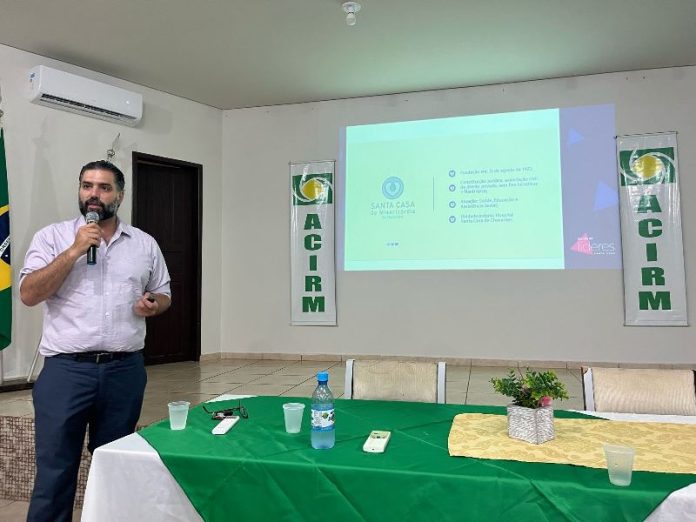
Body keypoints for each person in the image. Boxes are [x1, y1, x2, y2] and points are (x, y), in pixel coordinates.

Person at [20, 160, 171, 522]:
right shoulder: (52, 237)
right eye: (87, 185)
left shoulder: (144, 244)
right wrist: (73, 251)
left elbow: (164, 293)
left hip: (123, 372)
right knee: (55, 472)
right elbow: (28, 293)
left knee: (115, 468)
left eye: (104, 188)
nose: (93, 194)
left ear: (120, 195)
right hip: (66, 373)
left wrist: (154, 304)